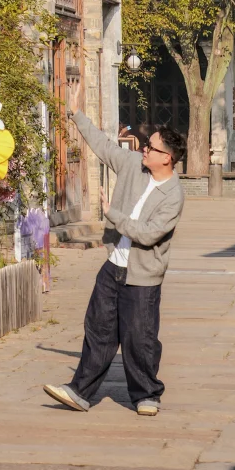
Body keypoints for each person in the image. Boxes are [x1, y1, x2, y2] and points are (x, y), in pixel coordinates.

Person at [44, 110, 186, 417]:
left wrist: (113, 214)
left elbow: (148, 235)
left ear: (168, 158)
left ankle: (147, 394)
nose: (144, 148)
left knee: (140, 338)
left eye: (152, 146)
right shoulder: (134, 165)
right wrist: (78, 118)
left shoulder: (174, 195)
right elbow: (104, 146)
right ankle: (80, 392)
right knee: (98, 329)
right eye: (147, 144)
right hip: (113, 266)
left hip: (143, 275)